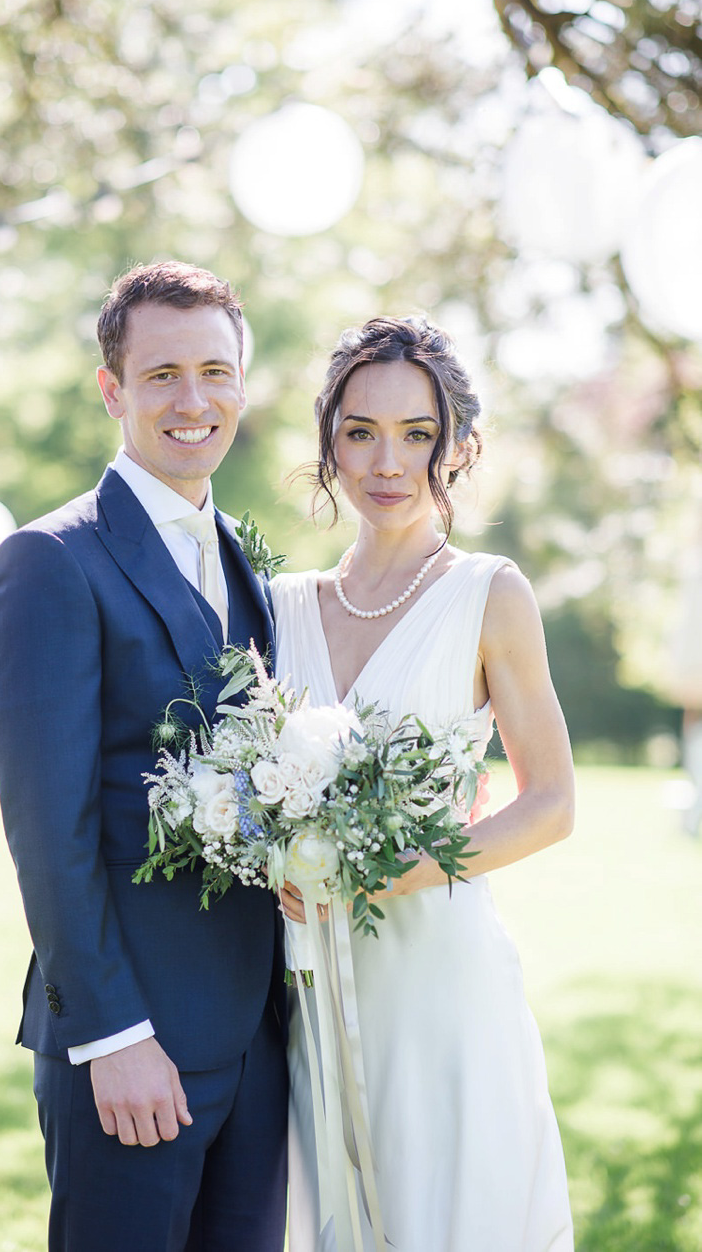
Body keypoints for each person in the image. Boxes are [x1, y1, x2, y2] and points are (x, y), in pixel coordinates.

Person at [0, 260, 288, 1252]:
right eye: (160, 375)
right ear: (113, 391)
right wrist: (112, 1038)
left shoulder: (243, 553)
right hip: (133, 1049)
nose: (191, 400)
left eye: (214, 371)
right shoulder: (50, 561)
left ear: (242, 382)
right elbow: (47, 831)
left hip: (258, 1046)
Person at [275, 315, 575, 1251]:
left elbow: (551, 803)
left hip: (440, 980)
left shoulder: (490, 593)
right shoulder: (282, 606)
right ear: (329, 440)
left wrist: (392, 870)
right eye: (360, 431)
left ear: (458, 445)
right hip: (308, 980)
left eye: (417, 434)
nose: (386, 461)